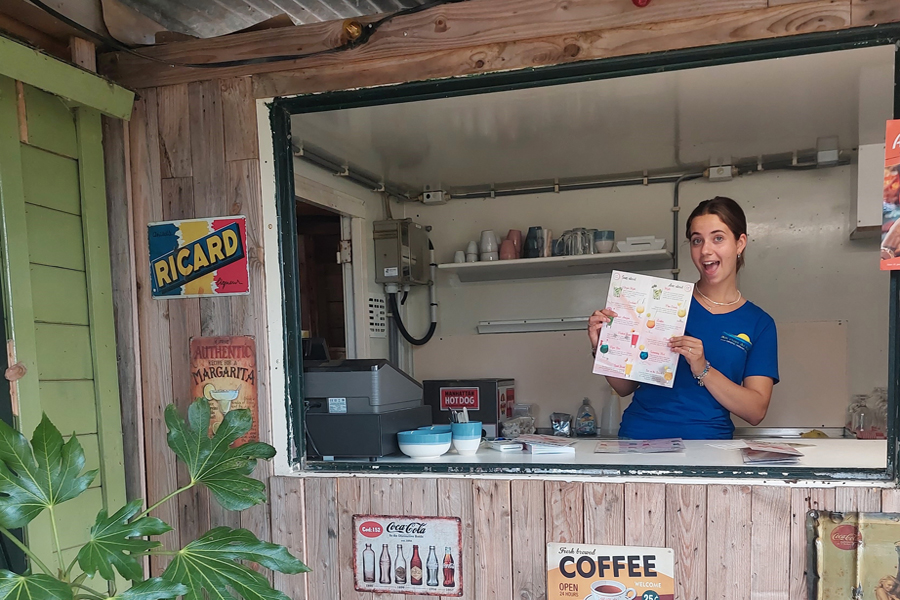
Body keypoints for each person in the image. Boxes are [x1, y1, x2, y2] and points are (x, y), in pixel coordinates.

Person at [587, 196, 779, 440]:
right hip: (639, 439)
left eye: (718, 238)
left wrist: (703, 368)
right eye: (697, 240)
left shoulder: (759, 323)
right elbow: (625, 388)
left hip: (708, 447)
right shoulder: (663, 302)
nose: (705, 250)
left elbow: (755, 411)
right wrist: (603, 347)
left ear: (740, 243)